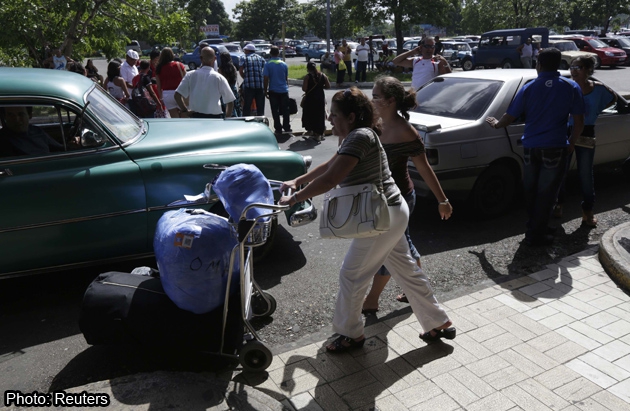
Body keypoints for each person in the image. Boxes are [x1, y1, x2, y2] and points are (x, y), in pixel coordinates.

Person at [278, 87, 456, 352]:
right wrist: (298, 180)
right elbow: (330, 165)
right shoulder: (357, 135)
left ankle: (350, 334)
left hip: (382, 217)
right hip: (391, 211)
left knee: (352, 275)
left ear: (351, 117)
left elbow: (331, 179)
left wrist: (294, 199)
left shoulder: (360, 136)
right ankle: (438, 322)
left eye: (334, 114)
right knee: (406, 269)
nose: (329, 119)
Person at [362, 76, 452, 313]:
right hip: (376, 198)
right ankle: (419, 290)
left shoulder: (406, 132)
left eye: (376, 96)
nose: (372, 100)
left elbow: (424, 168)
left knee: (389, 249)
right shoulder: (373, 122)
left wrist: (442, 200)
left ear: (390, 100)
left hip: (398, 199)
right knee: (403, 246)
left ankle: (372, 299)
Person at [485, 48, 585, 246]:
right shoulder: (571, 86)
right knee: (547, 192)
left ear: (538, 64)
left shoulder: (529, 87)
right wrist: (572, 142)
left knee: (531, 190)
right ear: (558, 64)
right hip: (556, 147)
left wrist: (496, 124)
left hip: (531, 147)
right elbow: (579, 121)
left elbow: (509, 116)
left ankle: (535, 228)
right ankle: (536, 233)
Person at [554, 56, 616, 227]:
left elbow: (613, 99)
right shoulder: (566, 87)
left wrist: (596, 110)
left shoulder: (599, 88)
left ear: (588, 69)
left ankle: (587, 210)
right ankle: (558, 204)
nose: (573, 71)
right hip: (566, 131)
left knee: (585, 174)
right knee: (560, 171)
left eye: (578, 67)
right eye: (572, 67)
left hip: (587, 132)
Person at [174, 47, 235, 119]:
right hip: (215, 118)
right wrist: (227, 118)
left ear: (201, 58)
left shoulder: (190, 75)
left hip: (196, 116)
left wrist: (185, 110)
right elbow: (230, 101)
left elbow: (177, 95)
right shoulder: (219, 78)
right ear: (215, 59)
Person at [263, 46, 292, 135]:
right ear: (278, 53)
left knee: (275, 110)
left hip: (273, 91)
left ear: (270, 53)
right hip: (284, 90)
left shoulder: (268, 64)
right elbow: (286, 78)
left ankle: (278, 128)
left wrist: (265, 90)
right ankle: (287, 127)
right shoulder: (284, 64)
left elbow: (266, 79)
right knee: (285, 110)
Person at [301, 61, 331, 143]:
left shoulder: (307, 77)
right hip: (320, 98)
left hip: (310, 99)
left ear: (308, 68)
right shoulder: (323, 75)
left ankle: (310, 130)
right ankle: (319, 134)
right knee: (320, 116)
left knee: (309, 114)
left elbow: (304, 88)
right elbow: (328, 86)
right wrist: (320, 87)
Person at [155, 47, 187, 118]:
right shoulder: (179, 65)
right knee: (184, 116)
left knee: (174, 117)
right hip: (179, 93)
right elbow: (186, 79)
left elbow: (159, 86)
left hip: (167, 94)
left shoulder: (159, 68)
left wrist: (161, 98)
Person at [240, 43, 266, 116]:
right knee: (260, 106)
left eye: (245, 50)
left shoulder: (244, 57)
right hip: (260, 85)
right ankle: (261, 119)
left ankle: (246, 119)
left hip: (249, 85)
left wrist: (245, 77)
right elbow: (265, 70)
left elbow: (241, 70)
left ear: (248, 50)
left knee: (247, 106)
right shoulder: (260, 58)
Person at [218, 51, 242, 117]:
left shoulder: (221, 68)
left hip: (225, 89)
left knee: (225, 106)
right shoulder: (233, 67)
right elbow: (235, 78)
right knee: (236, 106)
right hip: (233, 88)